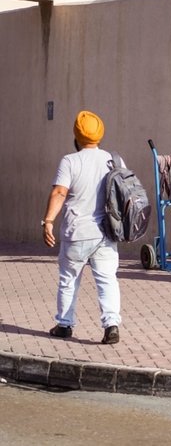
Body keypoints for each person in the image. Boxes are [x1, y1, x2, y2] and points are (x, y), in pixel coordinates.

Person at [42, 111, 122, 344]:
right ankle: (111, 326)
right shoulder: (113, 160)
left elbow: (59, 192)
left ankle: (65, 325)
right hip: (106, 233)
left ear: (76, 135)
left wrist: (48, 221)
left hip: (76, 234)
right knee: (107, 280)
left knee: (68, 279)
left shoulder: (70, 161)